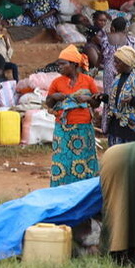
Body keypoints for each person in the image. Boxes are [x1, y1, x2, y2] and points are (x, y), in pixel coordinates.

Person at [45, 45, 102, 186]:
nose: (59, 67)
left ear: (74, 64)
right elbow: (49, 104)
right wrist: (54, 97)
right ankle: (61, 191)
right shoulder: (56, 82)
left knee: (85, 160)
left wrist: (88, 99)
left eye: (63, 64)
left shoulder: (87, 81)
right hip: (63, 128)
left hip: (83, 128)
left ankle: (85, 192)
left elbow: (96, 103)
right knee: (62, 161)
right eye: (59, 64)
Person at [104, 46, 135, 146]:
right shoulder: (118, 77)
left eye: (118, 62)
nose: (115, 65)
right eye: (115, 62)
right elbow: (115, 99)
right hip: (117, 125)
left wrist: (133, 100)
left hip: (133, 127)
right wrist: (103, 98)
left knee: (132, 158)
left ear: (126, 62)